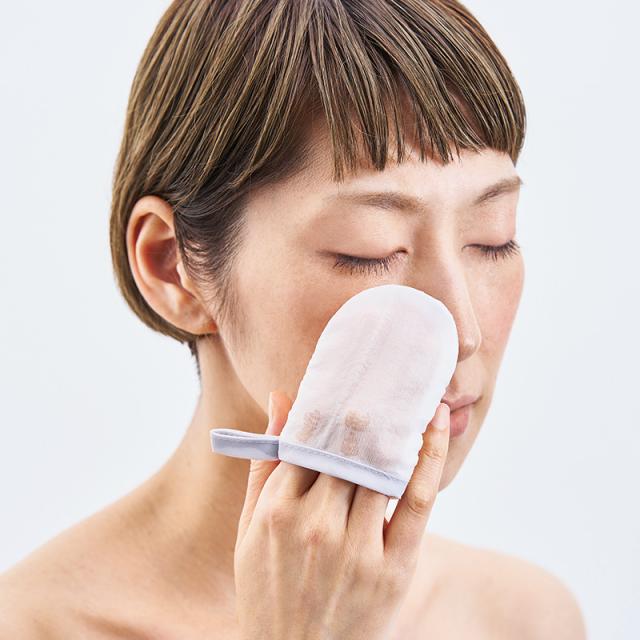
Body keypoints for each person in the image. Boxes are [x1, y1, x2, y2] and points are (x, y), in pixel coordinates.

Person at [0, 0, 587, 637]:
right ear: (173, 268)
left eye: (494, 238)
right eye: (368, 251)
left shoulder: (522, 618)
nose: (463, 334)